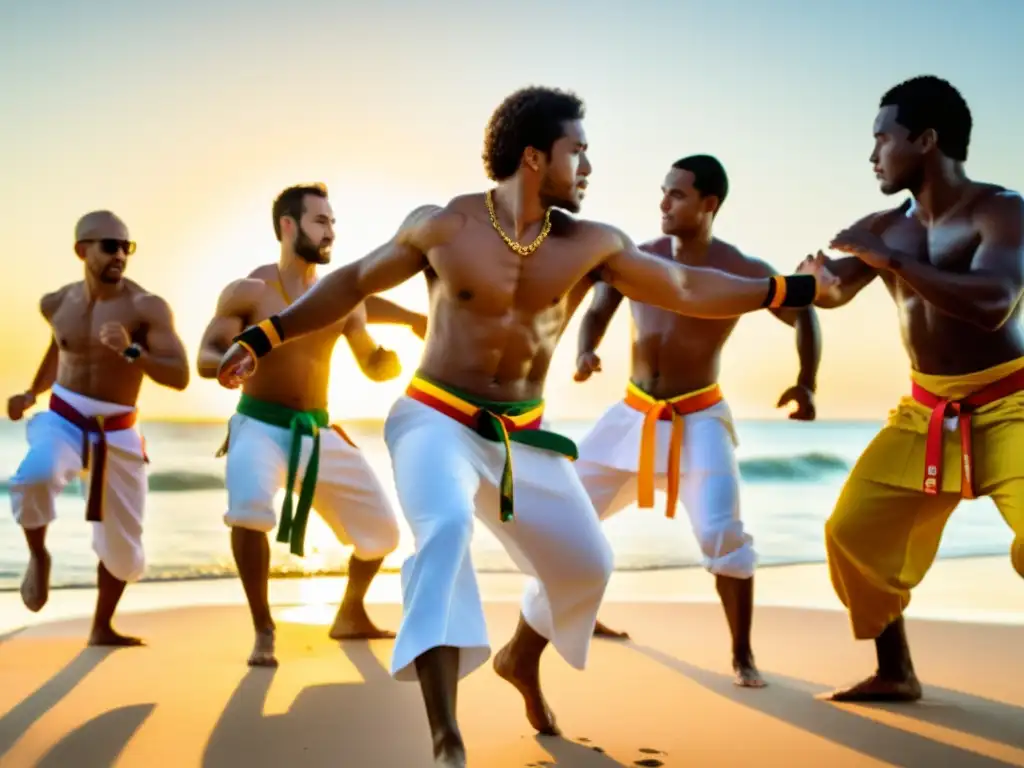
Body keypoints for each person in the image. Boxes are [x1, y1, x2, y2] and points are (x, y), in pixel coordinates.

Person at [216, 88, 835, 766]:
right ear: (536, 157)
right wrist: (266, 335)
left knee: (587, 565)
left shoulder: (593, 245)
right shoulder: (445, 226)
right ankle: (447, 736)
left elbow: (686, 288)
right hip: (434, 419)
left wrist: (793, 289)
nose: (590, 168)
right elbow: (354, 282)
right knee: (444, 530)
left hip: (521, 437)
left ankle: (518, 656)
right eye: (580, 153)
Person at [806, 75, 1024, 702]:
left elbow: (993, 304)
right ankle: (895, 670)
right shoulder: (883, 225)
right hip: (927, 409)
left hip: (1011, 404)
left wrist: (890, 261)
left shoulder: (1000, 208)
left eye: (882, 138)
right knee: (851, 532)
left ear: (925, 140)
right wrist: (802, 288)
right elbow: (834, 290)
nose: (872, 155)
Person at [572, 154, 821, 686]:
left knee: (723, 535)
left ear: (709, 204)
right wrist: (585, 351)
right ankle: (580, 613)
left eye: (677, 195)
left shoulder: (742, 267)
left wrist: (807, 381)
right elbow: (598, 305)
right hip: (632, 414)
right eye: (663, 191)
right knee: (568, 514)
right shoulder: (638, 256)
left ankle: (743, 656)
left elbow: (804, 312)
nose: (663, 203)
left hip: (701, 419)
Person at [196, 183, 427, 667]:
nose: (330, 232)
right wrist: (225, 363)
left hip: (317, 431)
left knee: (381, 534)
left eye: (333, 222)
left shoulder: (339, 295)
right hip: (258, 424)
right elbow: (207, 353)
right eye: (320, 221)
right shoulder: (249, 290)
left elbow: (369, 360)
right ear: (288, 225)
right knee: (249, 508)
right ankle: (264, 628)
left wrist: (386, 361)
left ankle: (350, 614)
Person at [7, 210, 190, 646]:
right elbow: (59, 350)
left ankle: (101, 626)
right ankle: (38, 555)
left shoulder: (146, 307)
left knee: (124, 550)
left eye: (127, 247)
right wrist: (32, 393)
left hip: (118, 429)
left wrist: (131, 351)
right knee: (35, 475)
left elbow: (180, 374)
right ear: (81, 250)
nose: (121, 255)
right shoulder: (56, 303)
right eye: (110, 245)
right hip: (64, 417)